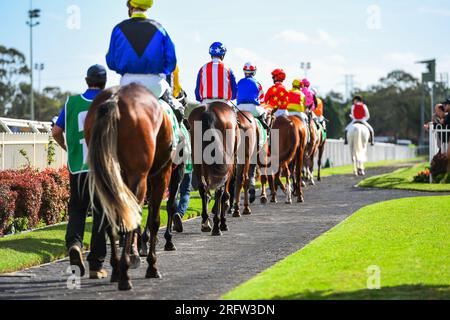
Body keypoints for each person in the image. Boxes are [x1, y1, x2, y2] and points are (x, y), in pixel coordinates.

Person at [52, 65, 108, 280]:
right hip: (102, 169)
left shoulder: (71, 102)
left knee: (77, 210)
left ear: (86, 80)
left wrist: (68, 149)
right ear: (104, 82)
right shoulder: (110, 102)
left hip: (78, 169)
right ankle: (96, 265)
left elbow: (56, 132)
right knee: (101, 216)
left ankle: (75, 244)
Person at [106, 0, 185, 122]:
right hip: (154, 84)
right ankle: (177, 136)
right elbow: (171, 61)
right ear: (146, 7)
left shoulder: (118, 29)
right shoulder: (159, 28)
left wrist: (125, 68)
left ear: (131, 7)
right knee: (176, 107)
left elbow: (110, 61)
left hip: (127, 82)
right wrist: (159, 69)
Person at [236, 62, 270, 130]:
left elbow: (237, 96)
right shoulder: (257, 83)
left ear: (244, 71)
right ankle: (263, 124)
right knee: (264, 111)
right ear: (254, 72)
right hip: (253, 108)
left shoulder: (239, 82)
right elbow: (262, 98)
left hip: (239, 108)